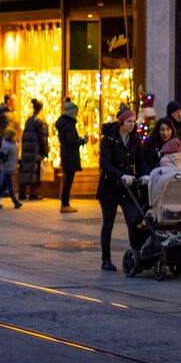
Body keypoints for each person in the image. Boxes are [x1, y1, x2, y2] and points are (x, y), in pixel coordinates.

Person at [96, 106, 148, 271]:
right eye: (128, 121)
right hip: (109, 187)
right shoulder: (109, 140)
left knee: (134, 220)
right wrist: (120, 176)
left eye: (133, 121)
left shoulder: (135, 140)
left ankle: (136, 254)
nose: (132, 124)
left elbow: (141, 162)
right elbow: (105, 164)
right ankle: (106, 259)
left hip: (128, 187)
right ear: (121, 123)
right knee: (108, 224)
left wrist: (145, 175)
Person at [56, 99, 87, 214]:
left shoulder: (64, 123)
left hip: (66, 154)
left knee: (68, 179)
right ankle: (65, 204)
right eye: (75, 112)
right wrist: (82, 140)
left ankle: (65, 203)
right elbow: (71, 141)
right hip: (70, 155)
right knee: (68, 180)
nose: (77, 114)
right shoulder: (68, 125)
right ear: (72, 112)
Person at [18, 98, 49, 201]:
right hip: (35, 149)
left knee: (25, 170)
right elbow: (43, 138)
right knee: (33, 171)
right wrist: (45, 151)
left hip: (27, 149)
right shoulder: (40, 120)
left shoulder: (29, 119)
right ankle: (33, 193)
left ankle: (22, 193)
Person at [0, 127, 22, 209]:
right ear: (10, 137)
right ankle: (15, 201)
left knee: (4, 185)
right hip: (7, 168)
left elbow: (15, 154)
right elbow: (3, 157)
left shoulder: (14, 143)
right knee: (10, 186)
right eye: (14, 136)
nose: (16, 137)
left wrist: (19, 160)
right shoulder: (6, 146)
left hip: (12, 166)